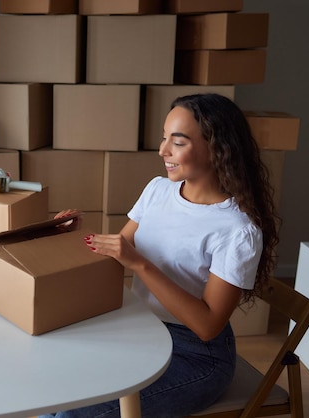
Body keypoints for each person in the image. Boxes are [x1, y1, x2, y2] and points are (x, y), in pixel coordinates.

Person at [44, 93, 280, 418]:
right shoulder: (158, 190)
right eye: (164, 137)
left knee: (74, 415)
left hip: (196, 355)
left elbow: (208, 325)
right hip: (140, 329)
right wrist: (69, 238)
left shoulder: (237, 230)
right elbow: (116, 254)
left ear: (217, 148)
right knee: (52, 392)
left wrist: (141, 263)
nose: (163, 150)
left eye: (177, 142)